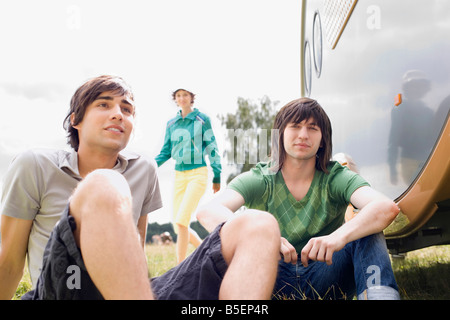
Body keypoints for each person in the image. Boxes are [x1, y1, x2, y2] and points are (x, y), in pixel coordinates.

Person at [0, 75, 280, 300]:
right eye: (103, 105)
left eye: (126, 109)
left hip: (131, 291)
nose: (118, 114)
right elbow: (9, 260)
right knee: (104, 183)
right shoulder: (34, 164)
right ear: (75, 120)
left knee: (258, 223)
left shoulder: (143, 170)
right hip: (66, 289)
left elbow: (135, 250)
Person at [197, 97, 401, 300]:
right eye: (295, 126)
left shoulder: (335, 177)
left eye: (313, 128)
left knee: (365, 227)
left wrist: (338, 237)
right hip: (270, 278)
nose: (303, 135)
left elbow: (385, 207)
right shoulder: (262, 178)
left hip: (327, 273)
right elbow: (208, 211)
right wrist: (262, 236)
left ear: (323, 139)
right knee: (224, 237)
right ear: (280, 134)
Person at [155, 88, 222, 263]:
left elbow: (212, 146)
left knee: (182, 221)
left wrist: (217, 175)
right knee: (178, 227)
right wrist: (150, 166)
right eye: (178, 95)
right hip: (179, 175)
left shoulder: (202, 120)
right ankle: (207, 257)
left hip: (198, 174)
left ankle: (180, 267)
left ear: (192, 97)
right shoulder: (171, 124)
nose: (182, 98)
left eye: (185, 95)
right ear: (175, 99)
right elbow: (165, 151)